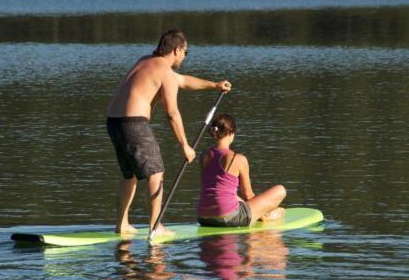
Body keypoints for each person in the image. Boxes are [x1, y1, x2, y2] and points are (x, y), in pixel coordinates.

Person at [106, 29, 231, 235]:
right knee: (156, 172)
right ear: (177, 49)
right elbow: (172, 113)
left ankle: (122, 225)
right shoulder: (164, 71)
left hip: (113, 122)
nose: (184, 57)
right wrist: (185, 146)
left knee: (129, 175)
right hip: (133, 123)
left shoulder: (145, 60)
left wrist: (214, 85)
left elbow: (182, 81)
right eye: (186, 53)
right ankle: (156, 227)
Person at [197, 114, 286, 227]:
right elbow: (248, 195)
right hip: (227, 218)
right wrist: (262, 208)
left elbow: (216, 189)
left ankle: (261, 215)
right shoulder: (238, 159)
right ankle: (265, 216)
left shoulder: (203, 156)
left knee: (233, 196)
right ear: (231, 133)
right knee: (280, 190)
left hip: (202, 217)